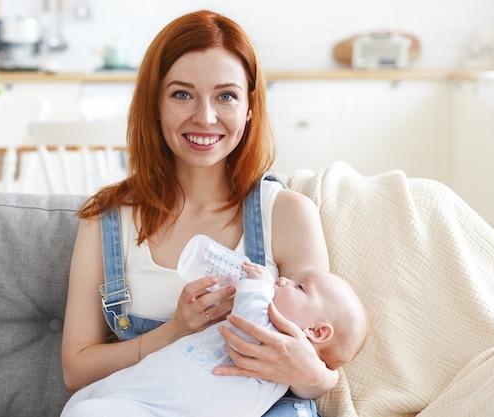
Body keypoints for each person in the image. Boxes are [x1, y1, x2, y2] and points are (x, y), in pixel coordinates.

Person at [61, 9, 337, 417]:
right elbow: (76, 369)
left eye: (226, 95)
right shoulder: (106, 219)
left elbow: (322, 368)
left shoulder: (288, 214)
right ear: (154, 103)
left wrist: (313, 375)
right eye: (181, 94)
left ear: (248, 107)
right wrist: (173, 333)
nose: (205, 117)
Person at [61, 260, 368, 417]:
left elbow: (247, 327)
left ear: (315, 332)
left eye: (300, 287)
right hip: (142, 395)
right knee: (83, 406)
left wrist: (257, 287)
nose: (284, 278)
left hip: (164, 411)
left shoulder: (272, 339)